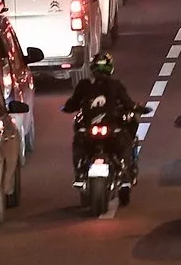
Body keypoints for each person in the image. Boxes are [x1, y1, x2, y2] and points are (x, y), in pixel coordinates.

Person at [61, 53, 144, 196]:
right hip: (109, 132)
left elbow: (71, 104)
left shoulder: (84, 85)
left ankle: (80, 174)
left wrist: (67, 108)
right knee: (126, 142)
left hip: (90, 132)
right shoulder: (115, 85)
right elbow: (128, 103)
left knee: (79, 141)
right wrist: (138, 108)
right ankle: (124, 174)